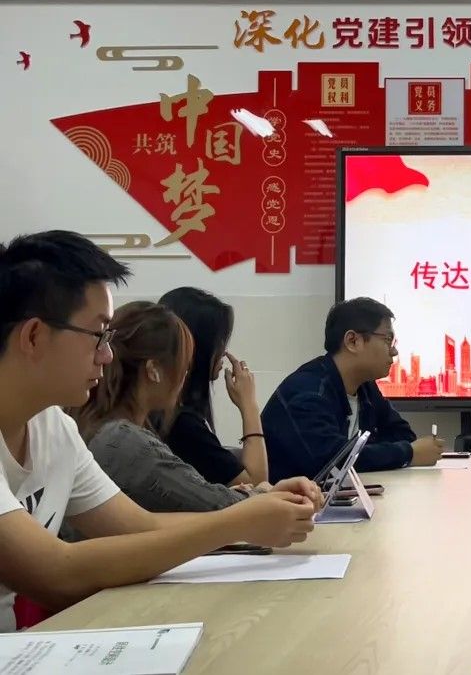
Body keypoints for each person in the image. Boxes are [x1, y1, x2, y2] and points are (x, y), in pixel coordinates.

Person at [0, 231, 319, 632]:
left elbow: (141, 526)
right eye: (98, 335)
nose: (107, 355)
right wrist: (240, 522)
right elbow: (56, 573)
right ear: (34, 336)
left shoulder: (55, 429)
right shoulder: (117, 437)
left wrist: (251, 514)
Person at [69, 301, 310, 515]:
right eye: (183, 365)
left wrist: (256, 495)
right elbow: (220, 505)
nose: (184, 375)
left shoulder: (92, 425)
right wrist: (264, 494)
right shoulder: (127, 440)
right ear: (154, 370)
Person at [262, 297, 437, 481]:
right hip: (287, 498)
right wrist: (407, 453)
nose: (394, 351)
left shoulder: (365, 387)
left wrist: (372, 454)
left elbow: (402, 435)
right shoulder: (309, 392)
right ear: (353, 341)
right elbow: (333, 461)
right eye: (387, 340)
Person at [158, 287, 268, 487]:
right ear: (199, 348)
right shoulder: (183, 424)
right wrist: (249, 405)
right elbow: (257, 485)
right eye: (220, 342)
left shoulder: (173, 411)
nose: (224, 352)